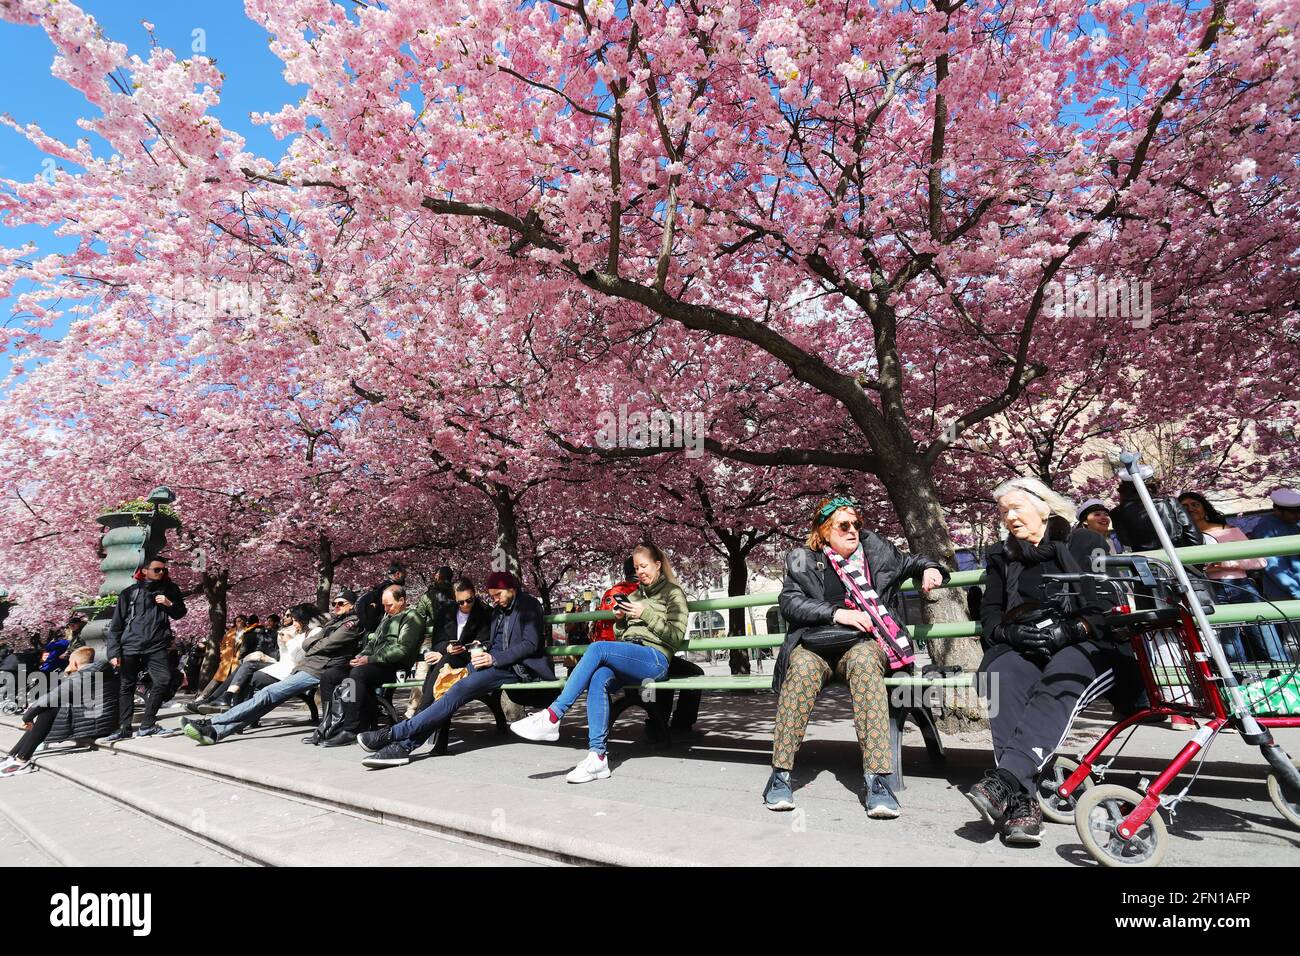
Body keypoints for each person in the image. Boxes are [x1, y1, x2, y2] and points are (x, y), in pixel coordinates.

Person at [964, 476, 1137, 846]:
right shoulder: (1001, 555)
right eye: (1003, 511)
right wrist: (1009, 634)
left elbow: (1107, 607)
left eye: (1016, 507)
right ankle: (1024, 804)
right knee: (1002, 673)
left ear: (1044, 507)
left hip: (1088, 643)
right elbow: (991, 614)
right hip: (1026, 644)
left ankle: (1006, 782)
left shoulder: (1085, 542)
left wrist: (1071, 630)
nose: (1009, 516)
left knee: (1061, 673)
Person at [757, 496, 947, 820]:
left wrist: (930, 568)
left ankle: (878, 781)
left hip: (862, 644)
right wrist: (836, 613)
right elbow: (790, 602)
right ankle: (780, 774)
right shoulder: (804, 559)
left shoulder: (877, 551)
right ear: (824, 531)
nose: (853, 530)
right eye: (843, 525)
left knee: (864, 664)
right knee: (800, 670)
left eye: (855, 523)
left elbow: (912, 561)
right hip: (816, 644)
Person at [510, 544, 690, 783]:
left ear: (657, 564)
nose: (640, 572)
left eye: (644, 566)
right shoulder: (635, 594)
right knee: (599, 678)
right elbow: (622, 635)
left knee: (597, 648)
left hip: (654, 659)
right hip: (632, 655)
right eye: (636, 567)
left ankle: (553, 716)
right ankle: (597, 758)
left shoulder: (673, 592)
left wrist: (644, 613)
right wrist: (621, 620)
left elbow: (676, 637)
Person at [358, 570, 555, 768]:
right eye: (492, 596)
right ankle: (402, 747)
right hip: (490, 664)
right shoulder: (498, 610)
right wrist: (482, 651)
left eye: (498, 595)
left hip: (516, 668)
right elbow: (494, 642)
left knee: (459, 689)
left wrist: (493, 658)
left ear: (511, 589)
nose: (495, 600)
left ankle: (394, 733)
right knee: (446, 689)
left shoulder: (528, 605)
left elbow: (530, 644)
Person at [181, 596, 364, 746]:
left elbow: (324, 644)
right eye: (334, 603)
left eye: (342, 603)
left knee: (267, 693)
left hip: (317, 670)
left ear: (352, 605)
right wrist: (313, 643)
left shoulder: (351, 622)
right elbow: (313, 645)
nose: (336, 606)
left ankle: (210, 722)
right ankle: (216, 733)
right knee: (266, 701)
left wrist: (312, 644)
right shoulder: (333, 623)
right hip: (306, 668)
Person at [1179, 491, 1285, 663]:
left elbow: (1259, 561)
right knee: (1229, 646)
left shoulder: (1229, 531)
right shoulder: (1179, 539)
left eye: (1194, 504)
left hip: (1241, 585)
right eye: (1184, 506)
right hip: (1209, 590)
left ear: (1205, 509)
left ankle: (1284, 678)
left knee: (1266, 636)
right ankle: (1239, 684)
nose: (1190, 508)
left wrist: (1225, 563)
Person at [319, 585, 423, 747]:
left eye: (389, 605)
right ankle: (329, 724)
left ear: (402, 600)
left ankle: (351, 729)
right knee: (331, 675)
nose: (386, 609)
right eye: (384, 605)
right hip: (373, 664)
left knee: (357, 675)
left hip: (395, 667)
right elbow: (373, 643)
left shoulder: (412, 617)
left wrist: (370, 659)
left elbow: (402, 649)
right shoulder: (387, 617)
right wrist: (362, 655)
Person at [103, 556, 187, 740]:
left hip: (156, 645)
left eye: (164, 570)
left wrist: (169, 603)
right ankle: (124, 727)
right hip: (130, 646)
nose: (161, 573)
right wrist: (113, 652)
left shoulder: (170, 590)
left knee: (163, 680)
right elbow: (116, 625)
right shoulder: (129, 593)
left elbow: (180, 613)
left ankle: (147, 724)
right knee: (127, 686)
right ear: (144, 571)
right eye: (157, 569)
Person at [2, 647, 118, 778]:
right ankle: (14, 755)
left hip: (98, 722)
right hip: (99, 718)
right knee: (47, 707)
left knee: (48, 709)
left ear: (74, 663)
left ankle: (21, 760)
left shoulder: (85, 675)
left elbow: (56, 695)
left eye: (69, 662)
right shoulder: (93, 672)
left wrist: (27, 717)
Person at [411, 578, 491, 712]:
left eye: (469, 600)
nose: (465, 605)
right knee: (444, 662)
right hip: (447, 660)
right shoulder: (445, 612)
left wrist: (472, 646)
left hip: (470, 661)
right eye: (461, 602)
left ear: (474, 593)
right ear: (454, 599)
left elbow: (487, 641)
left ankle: (423, 711)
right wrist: (445, 649)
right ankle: (427, 717)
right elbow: (437, 642)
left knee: (446, 661)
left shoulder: (485, 612)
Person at [1251, 488, 1300, 602]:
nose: (1298, 515)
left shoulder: (1297, 524)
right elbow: (1272, 565)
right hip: (1283, 592)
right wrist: (1296, 591)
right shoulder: (1265, 528)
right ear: (1277, 510)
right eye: (1293, 512)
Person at [356, 562, 407, 635]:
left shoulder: (381, 587)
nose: (405, 576)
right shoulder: (390, 589)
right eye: (404, 573)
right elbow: (389, 610)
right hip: (379, 627)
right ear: (398, 574)